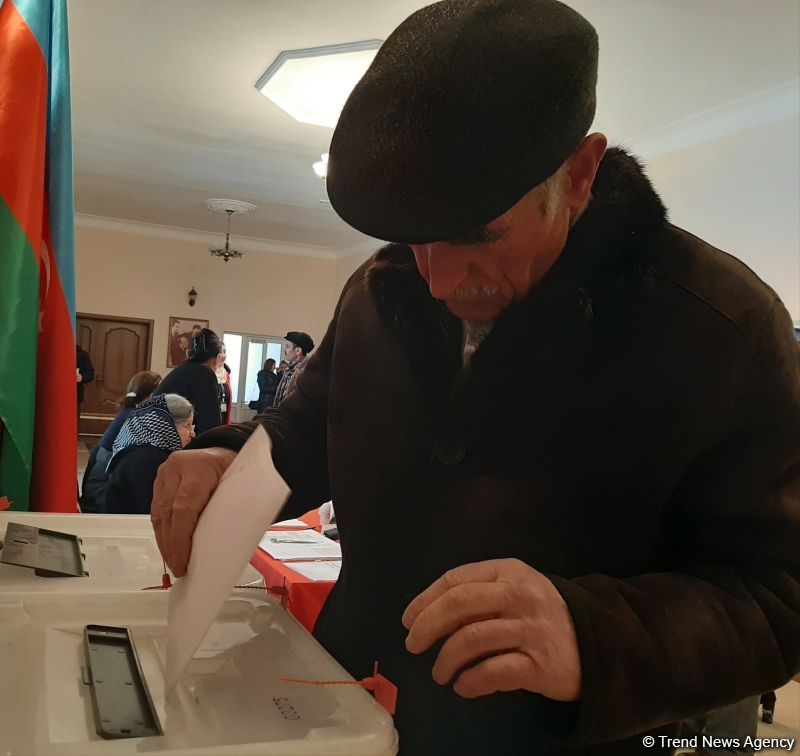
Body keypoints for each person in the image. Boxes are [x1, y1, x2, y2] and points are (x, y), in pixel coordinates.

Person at [149, 1, 800, 754]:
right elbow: (305, 432)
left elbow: (780, 594)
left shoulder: (722, 329)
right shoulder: (379, 286)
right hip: (338, 711)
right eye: (413, 238)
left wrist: (595, 637)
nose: (434, 280)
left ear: (581, 175)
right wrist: (226, 456)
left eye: (475, 235)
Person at [79, 370, 161, 513]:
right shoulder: (139, 417)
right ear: (151, 396)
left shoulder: (130, 411)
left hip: (95, 485)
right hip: (101, 490)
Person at [104, 393, 195, 515]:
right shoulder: (148, 460)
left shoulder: (146, 452)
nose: (192, 434)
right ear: (165, 425)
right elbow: (155, 513)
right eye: (187, 425)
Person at [155, 327, 224, 434]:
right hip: (163, 441)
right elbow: (210, 425)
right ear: (218, 358)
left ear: (189, 353)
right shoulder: (204, 373)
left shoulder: (183, 370)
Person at [268, 331, 314, 408]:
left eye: (287, 347)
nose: (285, 350)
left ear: (298, 351)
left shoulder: (307, 371)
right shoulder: (290, 369)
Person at [75, 345, 95, 409]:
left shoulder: (81, 354)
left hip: (75, 396)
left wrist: (82, 377)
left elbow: (90, 374)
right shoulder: (52, 352)